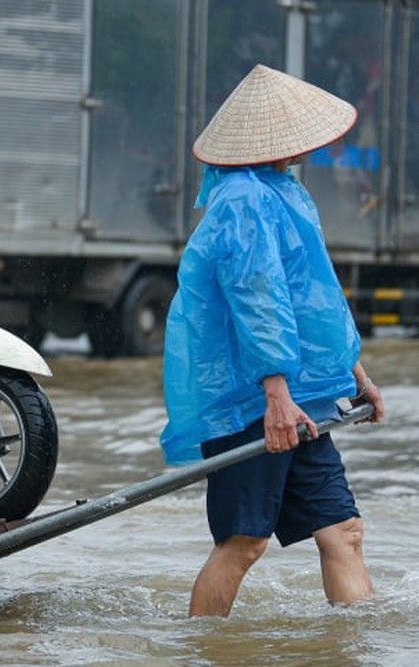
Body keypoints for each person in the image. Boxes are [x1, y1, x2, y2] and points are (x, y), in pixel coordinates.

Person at [160, 64, 385, 617]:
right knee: (243, 543)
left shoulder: (285, 192)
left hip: (296, 396)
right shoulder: (242, 201)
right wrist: (275, 395)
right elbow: (256, 299)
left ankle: (353, 650)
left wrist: (357, 375)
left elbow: (316, 299)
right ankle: (202, 651)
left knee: (343, 531)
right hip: (252, 402)